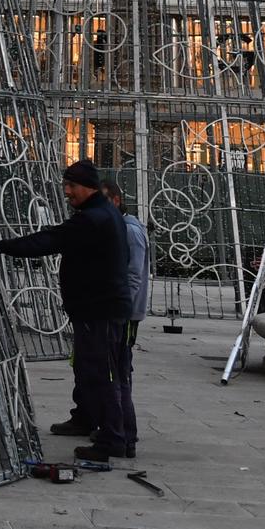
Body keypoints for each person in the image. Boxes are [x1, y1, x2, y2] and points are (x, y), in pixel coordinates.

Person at [0, 159, 133, 461]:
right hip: (101, 309)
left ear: (88, 186)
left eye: (71, 186)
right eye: (65, 185)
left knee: (102, 374)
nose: (67, 191)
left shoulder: (93, 218)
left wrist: (2, 246)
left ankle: (112, 439)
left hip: (100, 311)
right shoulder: (102, 214)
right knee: (97, 370)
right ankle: (101, 426)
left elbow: (50, 240)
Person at [101, 180, 149, 457]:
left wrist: (121, 309)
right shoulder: (121, 227)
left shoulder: (130, 230)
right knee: (115, 371)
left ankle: (124, 436)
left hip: (124, 315)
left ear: (116, 200)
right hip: (119, 311)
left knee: (118, 374)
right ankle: (116, 431)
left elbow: (133, 275)